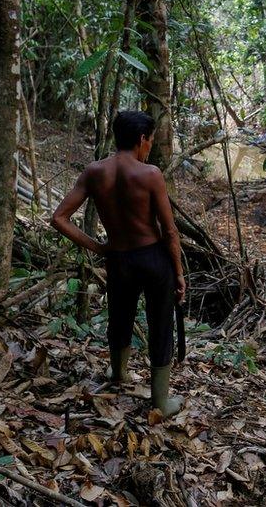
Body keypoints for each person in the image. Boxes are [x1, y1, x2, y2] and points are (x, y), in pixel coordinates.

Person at [50, 110, 186, 416]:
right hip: (152, 258)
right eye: (150, 141)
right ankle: (161, 403)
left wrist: (98, 247)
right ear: (142, 139)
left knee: (120, 316)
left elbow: (59, 218)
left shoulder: (94, 172)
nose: (149, 147)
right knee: (160, 324)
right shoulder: (150, 174)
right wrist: (178, 272)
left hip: (118, 259)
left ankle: (119, 373)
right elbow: (170, 231)